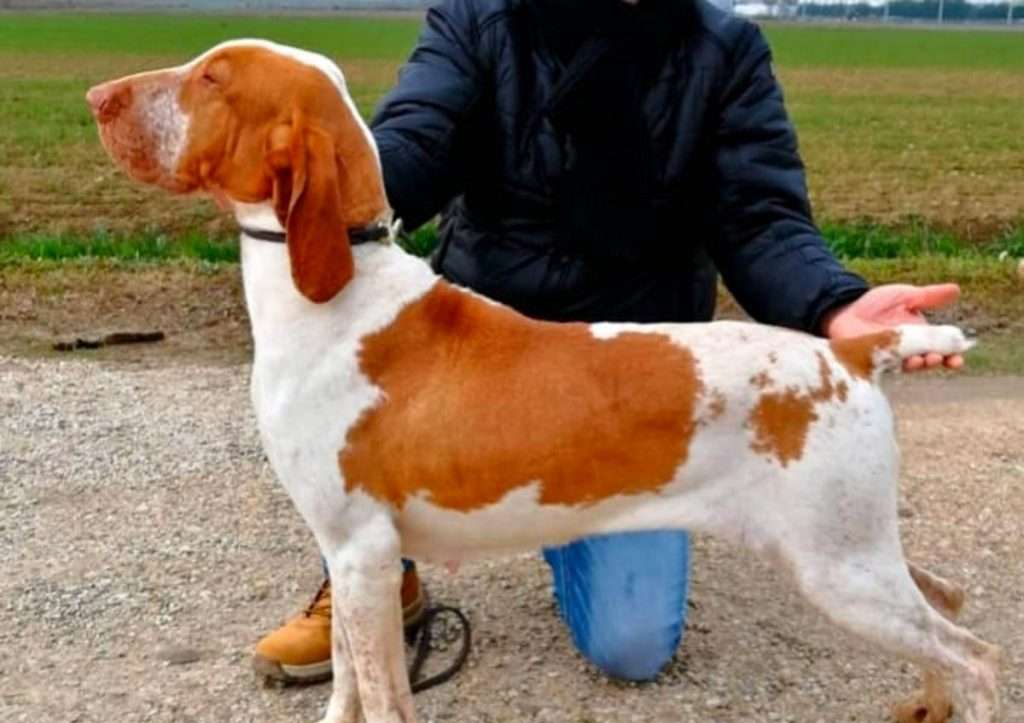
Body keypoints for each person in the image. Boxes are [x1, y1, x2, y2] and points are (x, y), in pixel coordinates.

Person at [253, 0, 963, 686]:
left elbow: (758, 218)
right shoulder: (482, 17)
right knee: (366, 492)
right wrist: (334, 172)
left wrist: (835, 304)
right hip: (479, 357)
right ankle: (385, 566)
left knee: (632, 645)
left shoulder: (724, 51)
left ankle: (541, 521)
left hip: (622, 385)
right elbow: (415, 143)